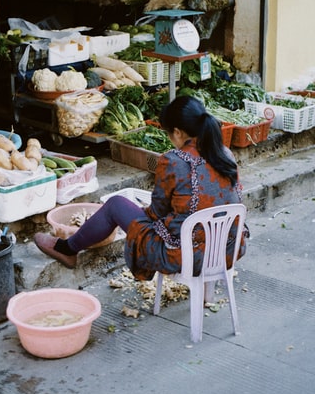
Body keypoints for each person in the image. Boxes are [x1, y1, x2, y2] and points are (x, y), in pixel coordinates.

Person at [34, 95, 247, 280]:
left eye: (169, 135)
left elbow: (157, 213)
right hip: (227, 250)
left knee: (115, 205)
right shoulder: (224, 154)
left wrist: (143, 210)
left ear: (178, 132)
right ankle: (69, 247)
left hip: (185, 257)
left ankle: (66, 249)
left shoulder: (174, 161)